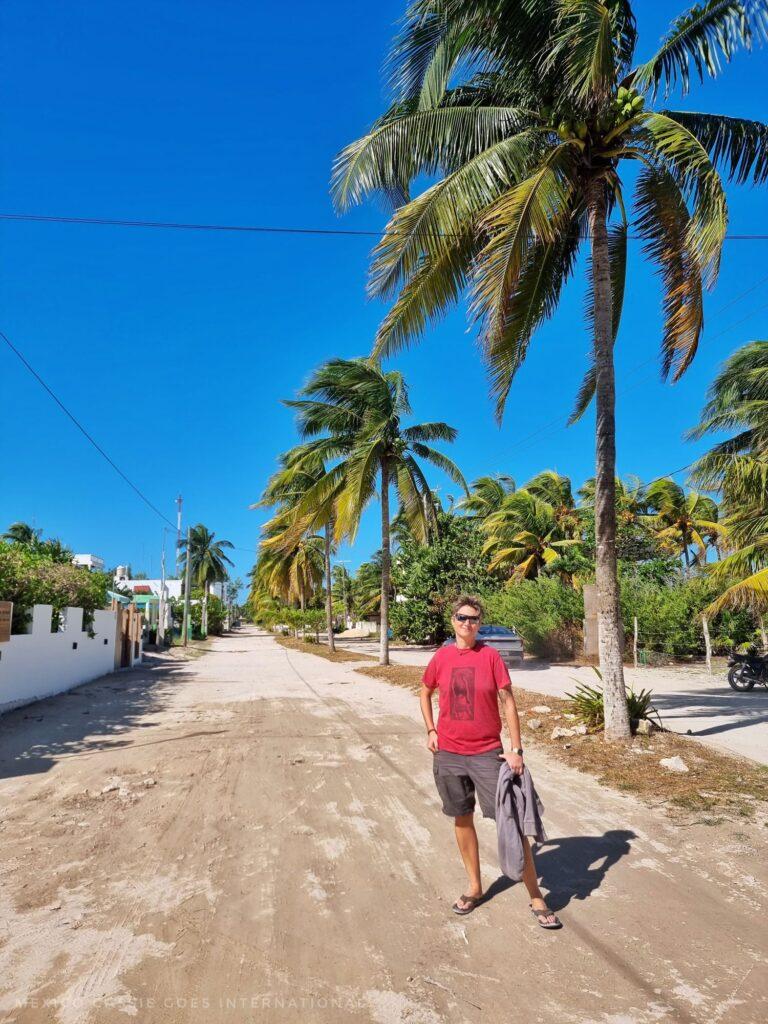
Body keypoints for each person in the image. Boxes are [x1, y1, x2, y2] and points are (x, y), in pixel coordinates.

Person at [420, 594, 561, 928]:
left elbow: (508, 701)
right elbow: (425, 691)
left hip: (486, 753)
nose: (468, 623)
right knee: (461, 818)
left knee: (510, 821)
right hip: (449, 754)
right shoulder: (440, 658)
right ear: (452, 620)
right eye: (462, 617)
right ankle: (474, 886)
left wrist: (516, 749)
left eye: (474, 619)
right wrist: (430, 729)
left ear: (479, 623)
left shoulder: (491, 657)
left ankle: (536, 895)